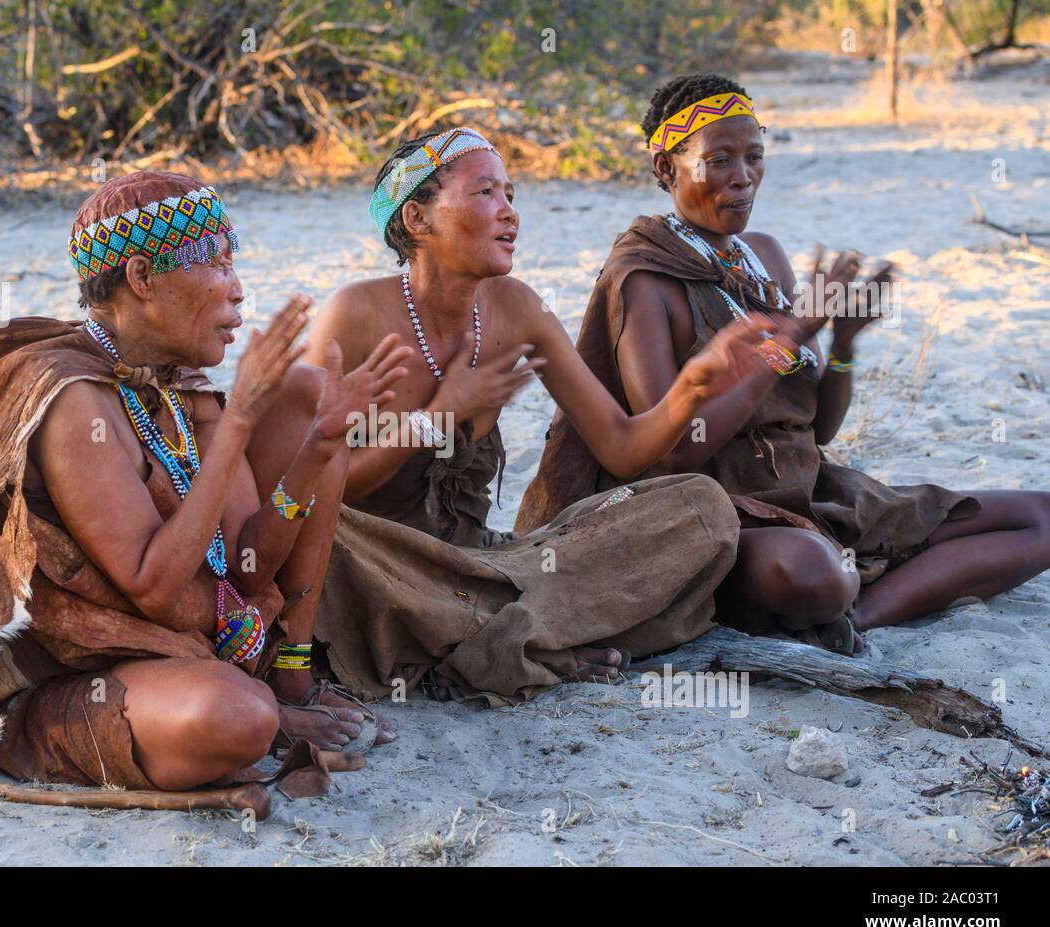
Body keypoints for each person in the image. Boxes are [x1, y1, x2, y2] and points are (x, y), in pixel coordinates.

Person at [0, 170, 409, 793]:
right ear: (141, 278)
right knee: (238, 719)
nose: (239, 291)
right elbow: (155, 589)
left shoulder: (176, 382)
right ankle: (42, 734)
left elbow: (243, 568)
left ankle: (284, 673)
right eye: (215, 265)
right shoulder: (73, 398)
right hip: (71, 668)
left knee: (307, 394)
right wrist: (240, 417)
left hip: (182, 644)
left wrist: (317, 451)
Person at [517, 74, 1050, 652]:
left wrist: (844, 346)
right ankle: (845, 597)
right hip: (707, 511)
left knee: (1039, 518)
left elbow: (818, 429)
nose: (743, 177)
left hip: (806, 489)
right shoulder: (645, 277)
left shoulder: (763, 255)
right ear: (667, 168)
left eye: (753, 157)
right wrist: (789, 337)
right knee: (813, 576)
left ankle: (860, 615)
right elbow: (676, 448)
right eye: (718, 160)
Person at [303, 127, 779, 707]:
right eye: (485, 194)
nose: (510, 214)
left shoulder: (518, 308)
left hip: (487, 566)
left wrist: (692, 388)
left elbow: (624, 447)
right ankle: (519, 639)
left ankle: (496, 636)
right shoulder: (352, 315)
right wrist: (439, 416)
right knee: (325, 545)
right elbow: (305, 487)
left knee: (699, 506)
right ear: (417, 220)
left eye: (511, 195)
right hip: (380, 569)